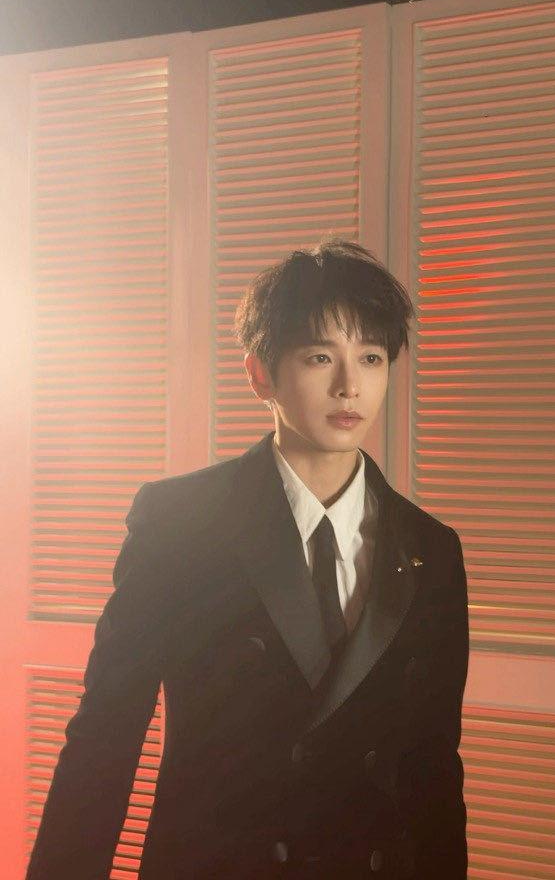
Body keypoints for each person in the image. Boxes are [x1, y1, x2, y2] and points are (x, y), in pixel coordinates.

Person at [26, 240, 470, 879]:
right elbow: (105, 736)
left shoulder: (430, 548)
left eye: (371, 358)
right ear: (261, 373)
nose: (349, 386)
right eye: (320, 357)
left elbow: (434, 769)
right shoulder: (178, 523)